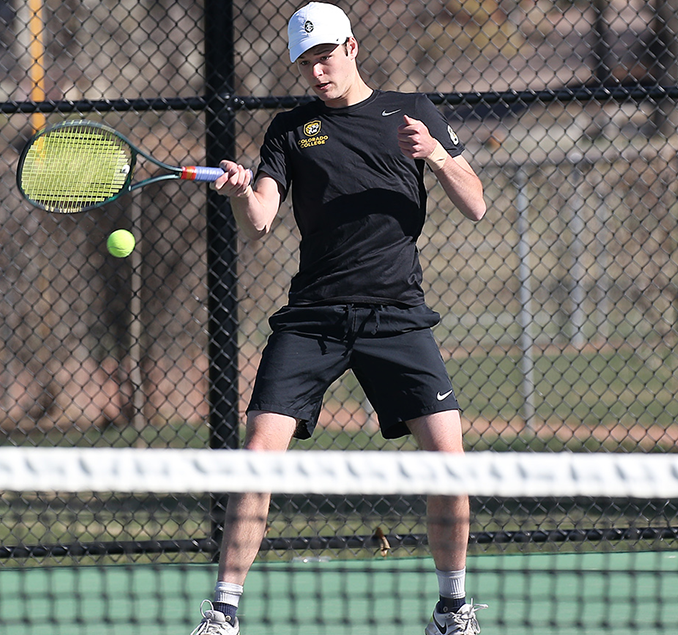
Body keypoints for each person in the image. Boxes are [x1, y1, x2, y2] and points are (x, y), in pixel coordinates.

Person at [195, 3, 487, 634]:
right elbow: (265, 218)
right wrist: (244, 188)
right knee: (256, 460)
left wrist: (435, 153)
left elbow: (476, 205)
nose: (317, 72)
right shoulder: (291, 128)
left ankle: (453, 607)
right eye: (306, 62)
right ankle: (222, 613)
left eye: (325, 56)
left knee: (450, 463)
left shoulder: (412, 112)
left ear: (352, 48)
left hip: (398, 316)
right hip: (313, 318)